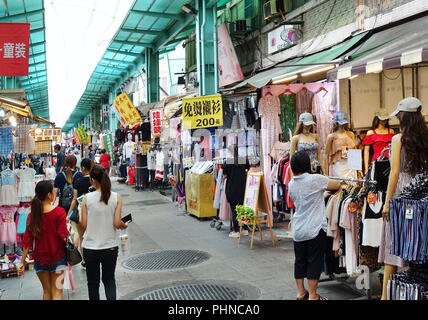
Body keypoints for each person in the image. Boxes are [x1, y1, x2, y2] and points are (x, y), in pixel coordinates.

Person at [380, 97, 428, 300]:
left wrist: (387, 203)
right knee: (418, 242)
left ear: (403, 117)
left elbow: (395, 173)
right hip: (423, 194)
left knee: (394, 243)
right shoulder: (426, 137)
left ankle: (385, 296)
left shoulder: (398, 139)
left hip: (403, 195)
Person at [288, 151, 341, 300]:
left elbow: (304, 199)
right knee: (314, 261)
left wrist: (320, 194)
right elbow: (336, 184)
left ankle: (300, 293)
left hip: (298, 229)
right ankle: (313, 295)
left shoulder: (291, 183)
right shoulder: (315, 179)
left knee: (299, 261)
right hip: (314, 228)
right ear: (307, 164)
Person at [80, 165, 128, 300]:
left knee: (93, 283)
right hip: (110, 247)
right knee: (109, 280)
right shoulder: (116, 197)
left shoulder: (86, 199)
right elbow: (117, 223)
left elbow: (83, 224)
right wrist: (124, 225)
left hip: (91, 247)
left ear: (93, 180)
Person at [18, 180, 69, 300]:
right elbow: (63, 235)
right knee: (57, 292)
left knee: (46, 292)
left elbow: (27, 241)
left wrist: (22, 262)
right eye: (53, 191)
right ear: (49, 195)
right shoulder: (59, 212)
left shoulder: (32, 215)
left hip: (40, 260)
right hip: (59, 259)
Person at [67, 158, 95, 268]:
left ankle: (85, 260)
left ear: (83, 168)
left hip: (81, 213)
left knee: (82, 237)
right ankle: (94, 258)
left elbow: (74, 200)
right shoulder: (95, 180)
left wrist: (68, 213)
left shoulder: (78, 182)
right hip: (94, 212)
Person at [325, 111, 357, 178]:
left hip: (351, 165)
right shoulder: (331, 136)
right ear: (336, 122)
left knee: (352, 185)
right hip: (338, 165)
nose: (342, 125)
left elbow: (354, 152)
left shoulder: (350, 134)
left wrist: (358, 170)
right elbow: (326, 155)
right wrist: (326, 173)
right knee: (340, 184)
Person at [362, 108, 395, 173]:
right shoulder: (371, 132)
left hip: (390, 160)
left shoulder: (391, 131)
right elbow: (366, 151)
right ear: (377, 119)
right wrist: (366, 169)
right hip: (377, 159)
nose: (385, 120)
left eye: (386, 118)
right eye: (383, 118)